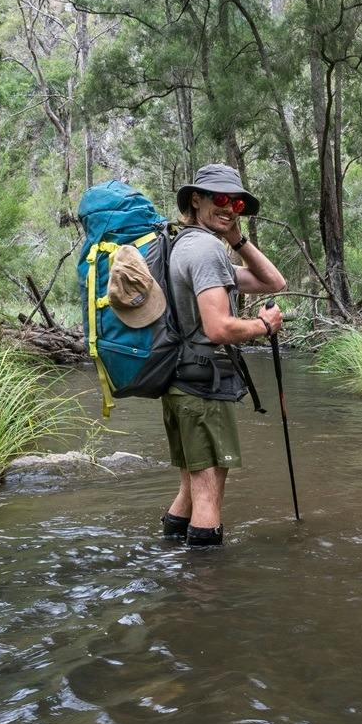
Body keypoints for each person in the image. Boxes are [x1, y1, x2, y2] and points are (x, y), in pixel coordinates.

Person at [159, 162, 287, 547]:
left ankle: (171, 560)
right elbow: (218, 328)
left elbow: (273, 282)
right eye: (219, 199)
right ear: (195, 200)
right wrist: (263, 328)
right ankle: (206, 592)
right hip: (201, 387)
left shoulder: (188, 246)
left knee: (192, 482)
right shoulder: (205, 251)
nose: (229, 206)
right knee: (209, 487)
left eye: (235, 202)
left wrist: (237, 238)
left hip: (181, 382)